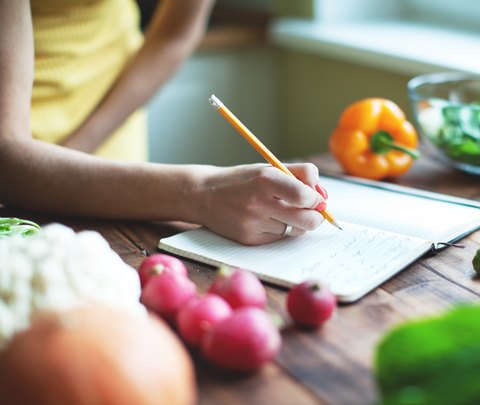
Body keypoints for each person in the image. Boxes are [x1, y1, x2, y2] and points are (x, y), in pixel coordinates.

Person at [0, 0, 327, 246]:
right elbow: (8, 162)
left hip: (114, 145)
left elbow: (176, 32)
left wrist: (75, 152)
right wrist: (204, 192)